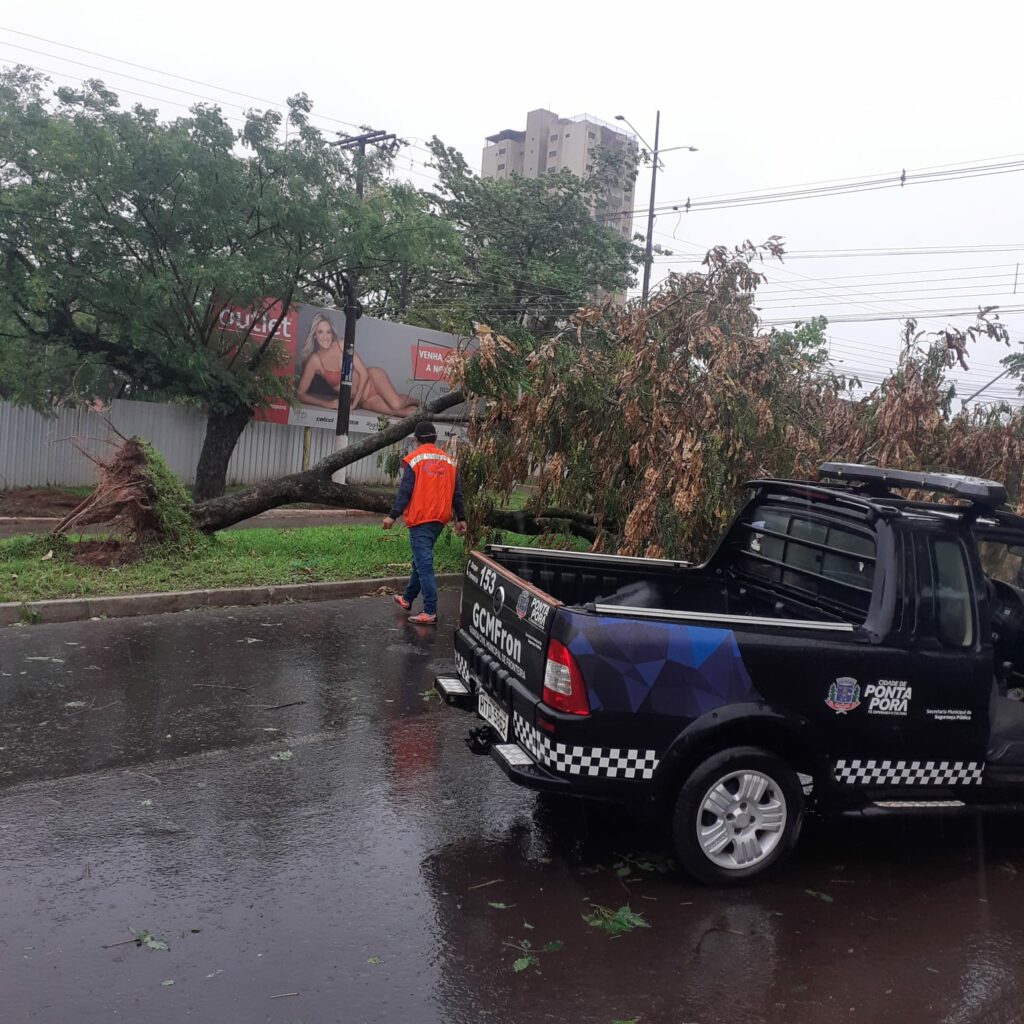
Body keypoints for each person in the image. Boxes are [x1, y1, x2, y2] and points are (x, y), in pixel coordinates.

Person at [383, 421, 468, 624]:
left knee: (424, 565)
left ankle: (430, 611)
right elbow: (457, 493)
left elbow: (405, 492)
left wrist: (392, 515)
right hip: (439, 519)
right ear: (434, 438)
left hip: (421, 519)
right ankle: (407, 598)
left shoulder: (415, 459)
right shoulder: (448, 461)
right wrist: (461, 518)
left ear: (417, 439)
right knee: (419, 563)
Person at [295, 313, 419, 416]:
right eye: (320, 332)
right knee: (403, 413)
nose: (326, 337)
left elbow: (364, 373)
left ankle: (416, 400)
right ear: (314, 336)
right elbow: (300, 395)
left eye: (328, 332)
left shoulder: (342, 344)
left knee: (396, 403)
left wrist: (354, 404)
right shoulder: (314, 361)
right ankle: (427, 410)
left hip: (372, 379)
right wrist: (327, 404)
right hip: (366, 400)